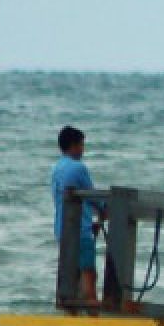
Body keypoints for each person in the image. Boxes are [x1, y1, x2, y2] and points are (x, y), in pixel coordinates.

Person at [51, 125, 106, 307]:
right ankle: (91, 309)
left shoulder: (56, 168)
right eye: (81, 145)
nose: (83, 150)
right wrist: (107, 209)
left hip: (62, 229)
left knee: (69, 275)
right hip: (81, 230)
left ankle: (70, 312)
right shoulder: (78, 168)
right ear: (73, 146)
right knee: (88, 272)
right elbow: (93, 197)